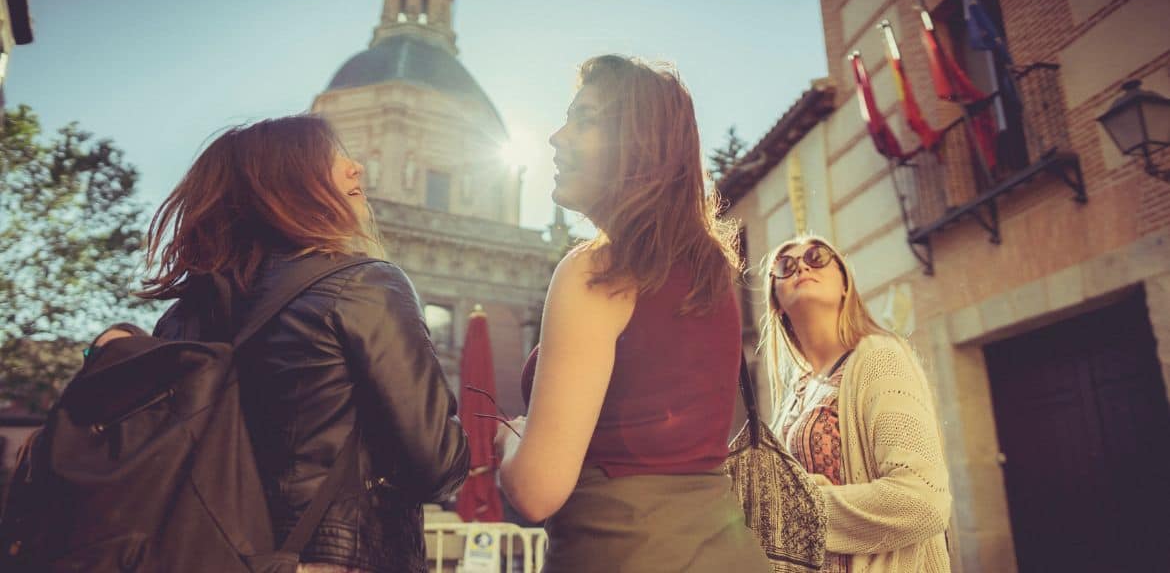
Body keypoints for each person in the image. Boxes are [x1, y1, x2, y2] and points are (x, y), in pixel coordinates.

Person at [142, 115, 469, 573]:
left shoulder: (179, 320)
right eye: (331, 156)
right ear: (287, 183)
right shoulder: (363, 283)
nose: (356, 167)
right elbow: (436, 465)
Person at [494, 55, 770, 572]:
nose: (556, 136)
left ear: (639, 142)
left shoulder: (597, 272)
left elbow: (536, 491)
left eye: (584, 119)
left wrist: (512, 436)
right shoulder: (710, 272)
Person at [756, 234, 951, 572]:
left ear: (845, 284)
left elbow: (922, 500)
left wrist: (793, 510)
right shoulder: (794, 394)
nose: (802, 265)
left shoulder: (878, 357)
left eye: (817, 257)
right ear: (775, 300)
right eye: (785, 266)